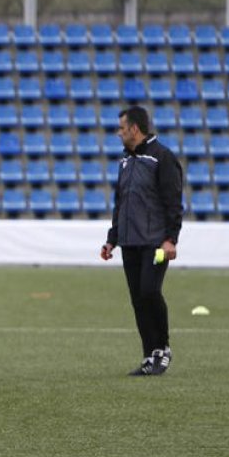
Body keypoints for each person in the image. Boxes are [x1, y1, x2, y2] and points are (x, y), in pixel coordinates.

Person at [100, 105, 183, 376]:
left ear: (134, 129)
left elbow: (173, 203)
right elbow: (120, 203)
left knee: (149, 291)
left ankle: (163, 348)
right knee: (137, 298)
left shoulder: (163, 158)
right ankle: (149, 355)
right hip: (129, 242)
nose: (119, 133)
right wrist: (112, 239)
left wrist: (171, 239)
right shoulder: (126, 160)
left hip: (155, 243)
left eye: (121, 128)